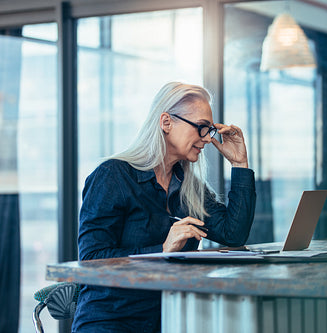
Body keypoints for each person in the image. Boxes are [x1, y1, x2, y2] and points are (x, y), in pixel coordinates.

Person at [72, 82, 256, 332]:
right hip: (111, 321)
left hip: (170, 318)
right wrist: (161, 250)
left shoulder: (189, 187)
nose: (206, 139)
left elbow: (233, 234)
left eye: (209, 130)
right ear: (166, 122)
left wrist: (240, 163)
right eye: (202, 127)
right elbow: (91, 261)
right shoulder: (113, 176)